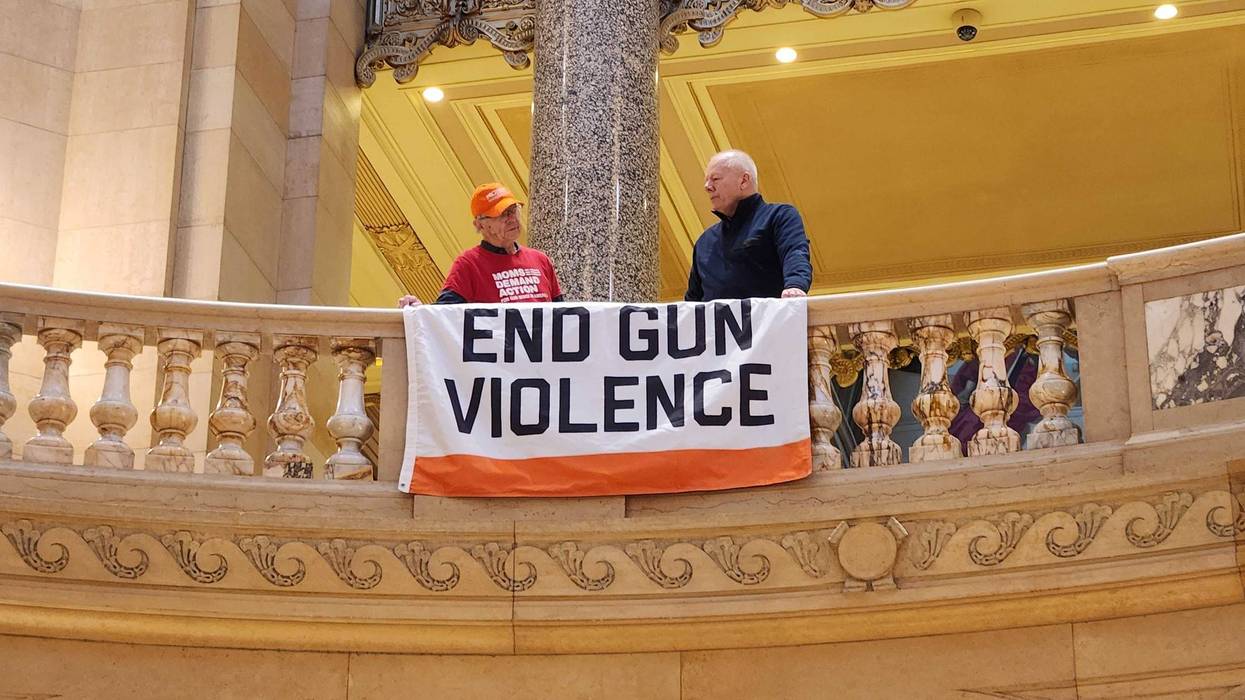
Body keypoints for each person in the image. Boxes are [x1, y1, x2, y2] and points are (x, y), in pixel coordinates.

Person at [398, 183, 564, 306]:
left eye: (513, 210)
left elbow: (563, 314)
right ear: (480, 224)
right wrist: (418, 311)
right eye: (502, 214)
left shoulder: (541, 260)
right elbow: (444, 315)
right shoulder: (469, 263)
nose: (512, 219)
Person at [684, 150, 812, 302]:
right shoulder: (704, 242)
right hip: (715, 326)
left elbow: (795, 253)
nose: (707, 187)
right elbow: (692, 300)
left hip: (767, 323)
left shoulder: (779, 216)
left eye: (715, 179)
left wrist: (795, 285)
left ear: (744, 181)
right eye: (706, 180)